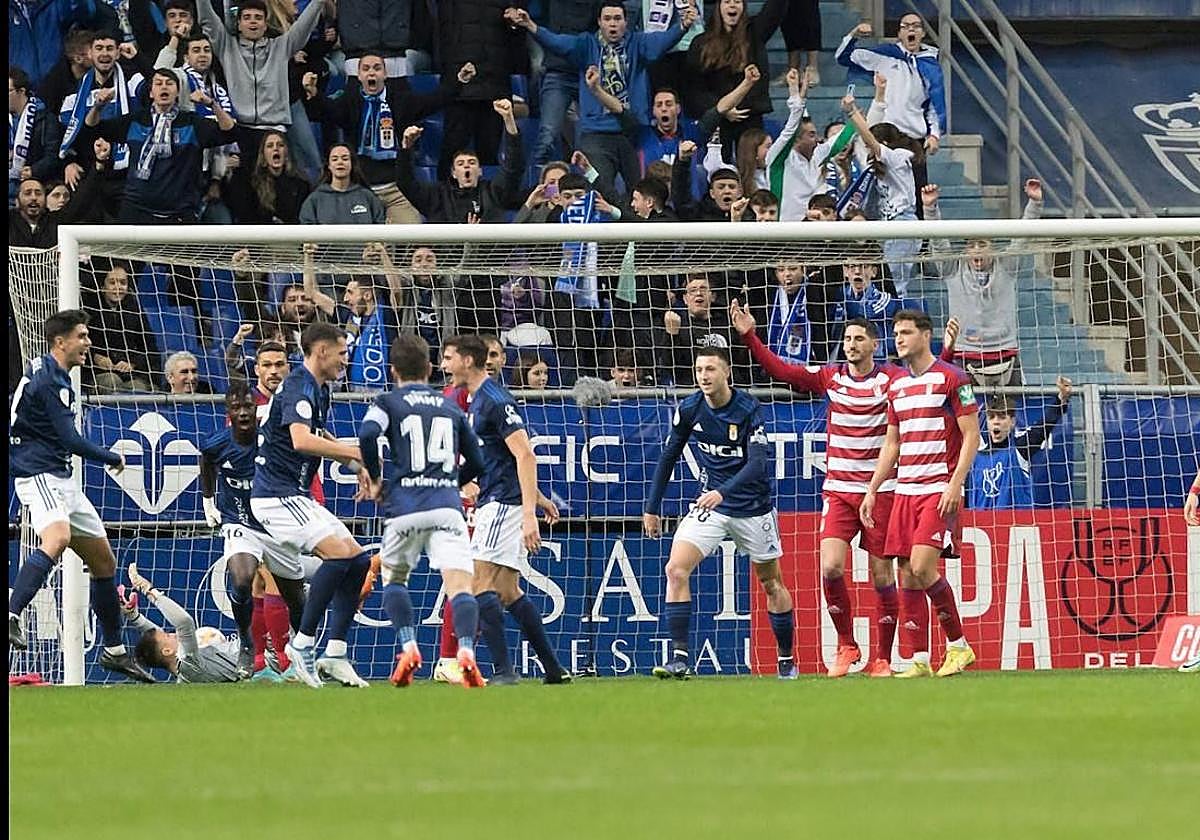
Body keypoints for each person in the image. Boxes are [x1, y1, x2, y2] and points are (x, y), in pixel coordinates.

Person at [734, 301, 959, 676]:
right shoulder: (830, 377)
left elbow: (929, 387)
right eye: (847, 339)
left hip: (882, 490)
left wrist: (947, 351)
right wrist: (750, 337)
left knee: (883, 574)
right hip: (838, 490)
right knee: (831, 566)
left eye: (858, 339)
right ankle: (847, 645)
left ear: (874, 344)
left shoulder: (891, 380)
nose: (851, 344)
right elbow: (784, 371)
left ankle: (883, 659)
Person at [8, 309, 155, 682]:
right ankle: (11, 613)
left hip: (61, 477)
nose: (88, 344)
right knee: (57, 537)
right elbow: (70, 439)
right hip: (36, 473)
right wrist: (113, 457)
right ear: (62, 341)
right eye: (83, 336)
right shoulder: (49, 381)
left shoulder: (51, 372)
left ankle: (114, 651)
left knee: (103, 562)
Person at [643, 346, 797, 679]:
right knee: (675, 569)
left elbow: (757, 464)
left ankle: (786, 659)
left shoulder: (747, 408)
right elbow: (668, 456)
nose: (704, 376)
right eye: (699, 370)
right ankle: (680, 658)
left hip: (752, 508)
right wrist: (651, 508)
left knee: (771, 583)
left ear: (726, 372)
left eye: (711, 369)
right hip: (710, 506)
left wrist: (722, 491)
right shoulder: (689, 408)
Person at [358, 334, 489, 688]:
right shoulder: (450, 406)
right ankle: (464, 652)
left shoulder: (387, 400)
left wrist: (375, 478)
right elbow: (478, 460)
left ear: (393, 370)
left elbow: (368, 435)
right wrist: (451, 481)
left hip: (404, 507)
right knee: (460, 585)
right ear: (430, 368)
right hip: (447, 508)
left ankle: (409, 646)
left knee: (395, 580)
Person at [440, 334, 570, 684]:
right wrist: (540, 498)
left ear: (468, 361)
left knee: (478, 582)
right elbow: (493, 459)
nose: (444, 365)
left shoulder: (495, 400)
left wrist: (529, 514)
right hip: (500, 497)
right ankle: (554, 670)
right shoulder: (475, 400)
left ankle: (503, 672)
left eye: (449, 358)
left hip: (501, 503)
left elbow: (525, 453)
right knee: (509, 591)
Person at [250, 322, 374, 688]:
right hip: (275, 496)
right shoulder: (298, 385)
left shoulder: (318, 389)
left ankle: (334, 653)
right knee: (339, 557)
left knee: (359, 561)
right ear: (321, 352)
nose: (344, 360)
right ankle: (301, 645)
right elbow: (302, 440)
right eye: (340, 353)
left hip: (295, 495)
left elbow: (317, 434)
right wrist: (357, 454)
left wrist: (354, 465)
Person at [860, 310, 979, 678]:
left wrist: (955, 484)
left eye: (906, 332)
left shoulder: (954, 379)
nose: (899, 339)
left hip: (937, 490)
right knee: (907, 574)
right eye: (896, 333)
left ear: (925, 336)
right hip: (904, 492)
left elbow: (972, 435)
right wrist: (873, 488)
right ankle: (919, 658)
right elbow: (892, 444)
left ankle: (959, 647)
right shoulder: (896, 387)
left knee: (924, 567)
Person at [506, 2, 698, 192]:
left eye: (617, 19)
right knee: (600, 190)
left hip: (631, 132)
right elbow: (558, 42)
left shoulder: (638, 44)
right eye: (607, 19)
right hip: (596, 133)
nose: (612, 24)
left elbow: (662, 41)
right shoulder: (586, 45)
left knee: (639, 193)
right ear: (599, 22)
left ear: (626, 22)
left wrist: (683, 26)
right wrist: (531, 25)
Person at [199, 383, 312, 681]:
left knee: (295, 597)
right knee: (241, 578)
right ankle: (247, 643)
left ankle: (303, 652)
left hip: (275, 523)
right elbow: (207, 460)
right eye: (236, 408)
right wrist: (208, 502)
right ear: (229, 413)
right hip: (240, 524)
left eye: (248, 406)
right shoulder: (217, 444)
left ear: (255, 409)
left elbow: (307, 453)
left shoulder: (272, 440)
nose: (243, 412)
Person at [303, 55, 477, 224]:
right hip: (361, 190)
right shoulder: (350, 101)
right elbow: (328, 110)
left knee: (413, 237)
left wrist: (459, 80)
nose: (372, 73)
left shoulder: (402, 100)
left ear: (385, 75)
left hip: (397, 190)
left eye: (377, 68)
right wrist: (314, 92)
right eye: (366, 69)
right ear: (359, 76)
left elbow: (435, 100)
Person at [924, 179, 1044, 386]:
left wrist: (1034, 204)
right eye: (972, 245)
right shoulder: (953, 269)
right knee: (966, 415)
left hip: (1005, 352)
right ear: (966, 250)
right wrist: (930, 208)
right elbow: (938, 242)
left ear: (993, 248)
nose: (977, 250)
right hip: (964, 354)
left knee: (1010, 415)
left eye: (982, 244)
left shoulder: (1007, 266)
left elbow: (1022, 239)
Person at [84, 68, 236, 223]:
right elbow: (92, 129)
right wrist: (98, 107)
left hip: (180, 212)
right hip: (135, 209)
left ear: (177, 93)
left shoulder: (192, 123)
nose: (164, 87)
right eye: (158, 83)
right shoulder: (135, 120)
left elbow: (230, 132)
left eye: (169, 83)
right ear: (151, 93)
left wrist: (212, 104)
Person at [835, 16, 946, 216]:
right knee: (879, 194)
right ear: (899, 33)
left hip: (914, 141)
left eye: (916, 26)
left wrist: (935, 135)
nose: (911, 30)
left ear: (922, 33)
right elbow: (844, 56)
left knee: (919, 197)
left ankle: (922, 246)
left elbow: (935, 105)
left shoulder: (931, 65)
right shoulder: (885, 56)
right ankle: (878, 242)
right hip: (887, 139)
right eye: (905, 26)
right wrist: (854, 34)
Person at [195, 0, 327, 167]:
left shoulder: (281, 47)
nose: (252, 21)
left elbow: (305, 26)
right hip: (240, 130)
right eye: (247, 17)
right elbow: (207, 19)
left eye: (258, 18)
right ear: (239, 24)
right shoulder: (226, 45)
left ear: (265, 25)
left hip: (274, 131)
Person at [685, 0, 788, 162]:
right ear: (718, 7)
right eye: (727, 1)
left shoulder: (754, 34)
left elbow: (775, 9)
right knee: (719, 175)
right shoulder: (701, 43)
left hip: (751, 120)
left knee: (753, 172)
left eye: (737, 1)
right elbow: (694, 88)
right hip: (717, 121)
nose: (732, 5)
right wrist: (722, 109)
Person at [841, 91, 921, 295]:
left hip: (902, 224)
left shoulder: (897, 158)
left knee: (895, 284)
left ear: (883, 143)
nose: (868, 151)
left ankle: (897, 320)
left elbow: (872, 143)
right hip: (890, 226)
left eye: (870, 146)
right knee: (887, 282)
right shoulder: (880, 167)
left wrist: (853, 113)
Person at [396, 99, 524, 223]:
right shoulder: (437, 197)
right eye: (460, 164)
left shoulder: (493, 192)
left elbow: (513, 168)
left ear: (480, 171)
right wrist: (406, 148)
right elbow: (406, 184)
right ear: (453, 173)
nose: (467, 166)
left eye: (472, 163)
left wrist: (509, 120)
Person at [124, 563, 242, 682]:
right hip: (257, 659)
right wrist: (148, 590)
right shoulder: (188, 665)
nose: (173, 633)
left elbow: (158, 637)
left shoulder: (184, 676)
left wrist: (134, 617)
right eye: (168, 635)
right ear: (167, 651)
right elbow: (184, 622)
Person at [969, 377, 1072, 510]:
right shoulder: (975, 455)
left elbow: (1043, 427)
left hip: (1017, 524)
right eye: (992, 417)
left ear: (1012, 422)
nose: (996, 422)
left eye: (1002, 417)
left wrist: (1061, 398)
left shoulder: (1020, 448)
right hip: (982, 525)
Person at [763, 68, 832, 221]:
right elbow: (790, 131)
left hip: (813, 235)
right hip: (782, 233)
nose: (817, 139)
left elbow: (842, 138)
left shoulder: (818, 156)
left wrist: (878, 100)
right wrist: (797, 96)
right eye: (811, 134)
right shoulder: (779, 158)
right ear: (797, 139)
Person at [80, 258, 156, 393]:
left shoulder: (134, 308)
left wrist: (132, 363)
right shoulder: (88, 307)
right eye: (112, 282)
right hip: (95, 373)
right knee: (111, 381)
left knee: (138, 388)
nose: (118, 287)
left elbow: (150, 348)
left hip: (129, 374)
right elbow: (77, 342)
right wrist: (96, 358)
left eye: (123, 283)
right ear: (103, 286)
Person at [224, 130, 311, 224]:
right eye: (270, 146)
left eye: (280, 145)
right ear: (263, 156)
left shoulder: (300, 185)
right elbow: (243, 214)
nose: (275, 149)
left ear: (286, 154)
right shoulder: (252, 183)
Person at [9, 66, 63, 206]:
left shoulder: (45, 118)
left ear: (21, 91)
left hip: (33, 187)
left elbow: (53, 156)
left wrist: (34, 170)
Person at [299, 144, 386, 225]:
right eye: (334, 159)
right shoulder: (315, 199)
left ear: (352, 164)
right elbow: (307, 232)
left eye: (345, 159)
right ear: (329, 166)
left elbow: (380, 226)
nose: (340, 162)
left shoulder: (367, 196)